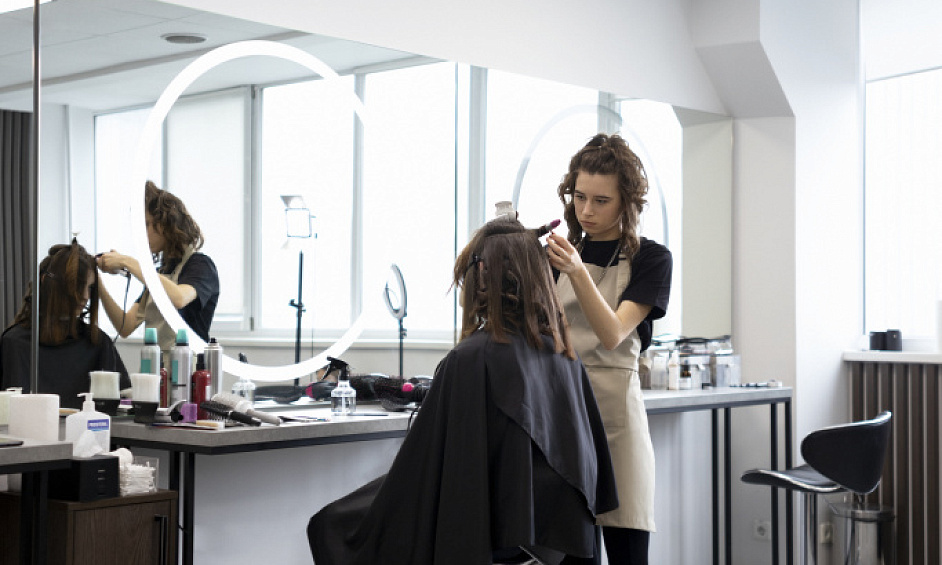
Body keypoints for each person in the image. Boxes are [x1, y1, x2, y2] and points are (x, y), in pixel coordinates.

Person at [307, 217, 618, 565]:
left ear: (481, 273)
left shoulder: (470, 358)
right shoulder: (565, 354)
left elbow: (426, 475)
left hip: (487, 528)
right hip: (544, 537)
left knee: (330, 524)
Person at [546, 133, 672, 565]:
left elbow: (613, 333)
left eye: (601, 200)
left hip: (618, 420)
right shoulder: (555, 258)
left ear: (626, 203)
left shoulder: (651, 259)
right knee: (572, 554)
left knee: (627, 553)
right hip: (565, 415)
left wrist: (578, 272)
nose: (586, 211)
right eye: (580, 197)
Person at [0, 240, 130, 409]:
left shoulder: (97, 342)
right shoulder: (15, 343)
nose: (85, 296)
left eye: (90, 288)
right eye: (78, 286)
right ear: (49, 283)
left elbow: (124, 402)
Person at [97, 180, 219, 351]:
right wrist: (98, 284)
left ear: (167, 223)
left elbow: (179, 298)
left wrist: (127, 261)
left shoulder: (201, 266)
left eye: (146, 225)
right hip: (154, 368)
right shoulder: (158, 274)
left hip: (189, 372)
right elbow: (125, 326)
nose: (141, 234)